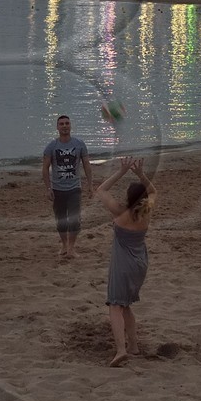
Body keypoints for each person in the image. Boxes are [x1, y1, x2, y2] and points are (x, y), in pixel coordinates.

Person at [95, 156, 155, 368]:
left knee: (114, 305)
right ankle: (134, 346)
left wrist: (121, 171)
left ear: (128, 198)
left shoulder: (121, 213)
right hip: (140, 265)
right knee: (126, 305)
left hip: (123, 266)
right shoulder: (146, 212)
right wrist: (140, 173)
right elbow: (153, 191)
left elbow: (101, 190)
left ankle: (121, 350)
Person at [41, 114, 93, 260]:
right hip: (58, 189)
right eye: (62, 124)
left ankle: (71, 247)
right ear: (57, 127)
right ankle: (64, 245)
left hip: (74, 188)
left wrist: (90, 185)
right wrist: (48, 188)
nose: (64, 126)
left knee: (75, 219)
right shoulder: (51, 146)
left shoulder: (79, 144)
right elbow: (45, 168)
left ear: (70, 126)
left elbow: (87, 165)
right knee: (61, 220)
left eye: (67, 123)